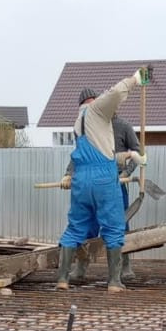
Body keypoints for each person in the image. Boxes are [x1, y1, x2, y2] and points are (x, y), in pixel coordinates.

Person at [57, 70, 148, 293]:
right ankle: (114, 282)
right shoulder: (97, 109)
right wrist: (135, 79)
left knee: (75, 228)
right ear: (94, 100)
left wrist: (130, 155)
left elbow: (94, 155)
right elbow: (116, 93)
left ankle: (62, 279)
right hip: (105, 179)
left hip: (82, 179)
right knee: (114, 227)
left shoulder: (78, 122)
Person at [61, 113, 143, 286]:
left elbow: (137, 151)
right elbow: (79, 155)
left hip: (115, 183)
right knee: (87, 225)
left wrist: (126, 172)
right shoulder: (89, 127)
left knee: (119, 224)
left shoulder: (123, 126)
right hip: (92, 181)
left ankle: (124, 266)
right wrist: (68, 174)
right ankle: (81, 266)